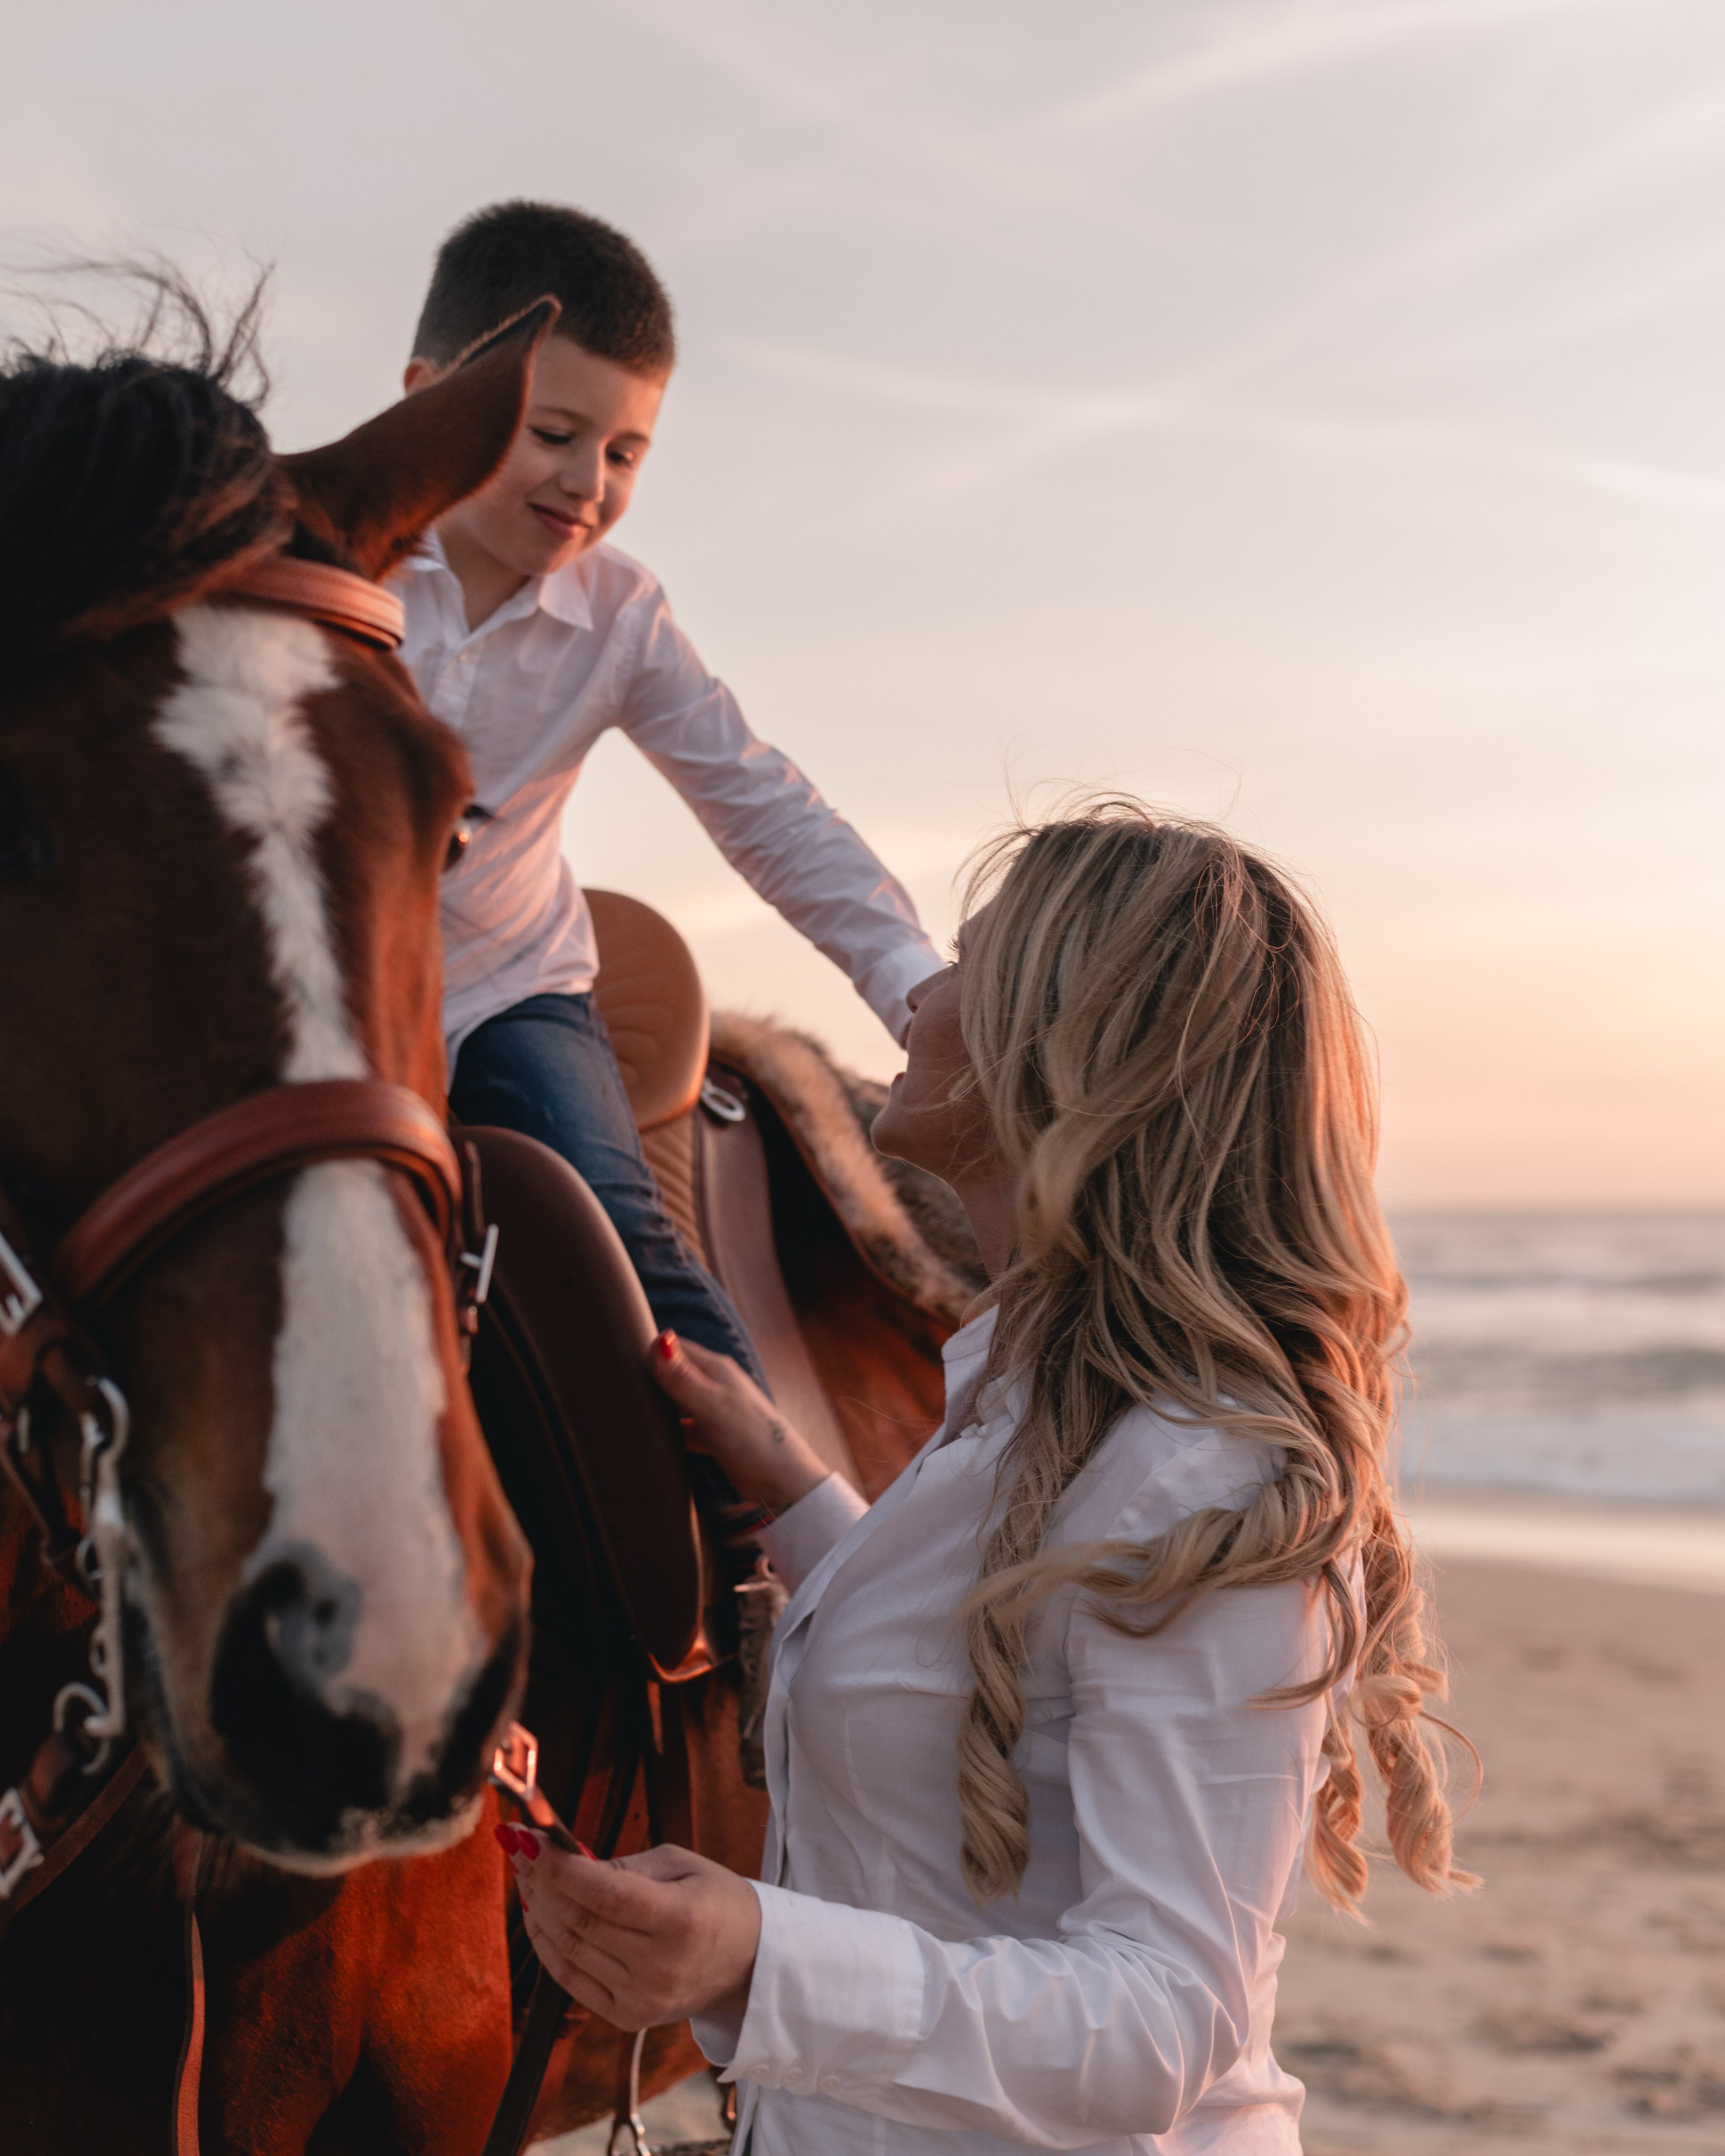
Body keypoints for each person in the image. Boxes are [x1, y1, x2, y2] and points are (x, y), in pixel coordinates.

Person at [497, 802, 1476, 2152]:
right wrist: (792, 1487)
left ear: (1060, 1052)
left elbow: (1158, 2024)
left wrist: (753, 1957)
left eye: (965, 960)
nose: (922, 989)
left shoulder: (1200, 1477)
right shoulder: (1024, 1408)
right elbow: (985, 1649)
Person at [396, 201, 940, 1433]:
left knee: (615, 1234)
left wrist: (917, 988)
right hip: (314, 991)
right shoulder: (312, 565)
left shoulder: (622, 617)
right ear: (427, 398)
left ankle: (769, 1552)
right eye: (553, 433)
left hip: (500, 987)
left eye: (627, 452)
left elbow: (762, 803)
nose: (588, 483)